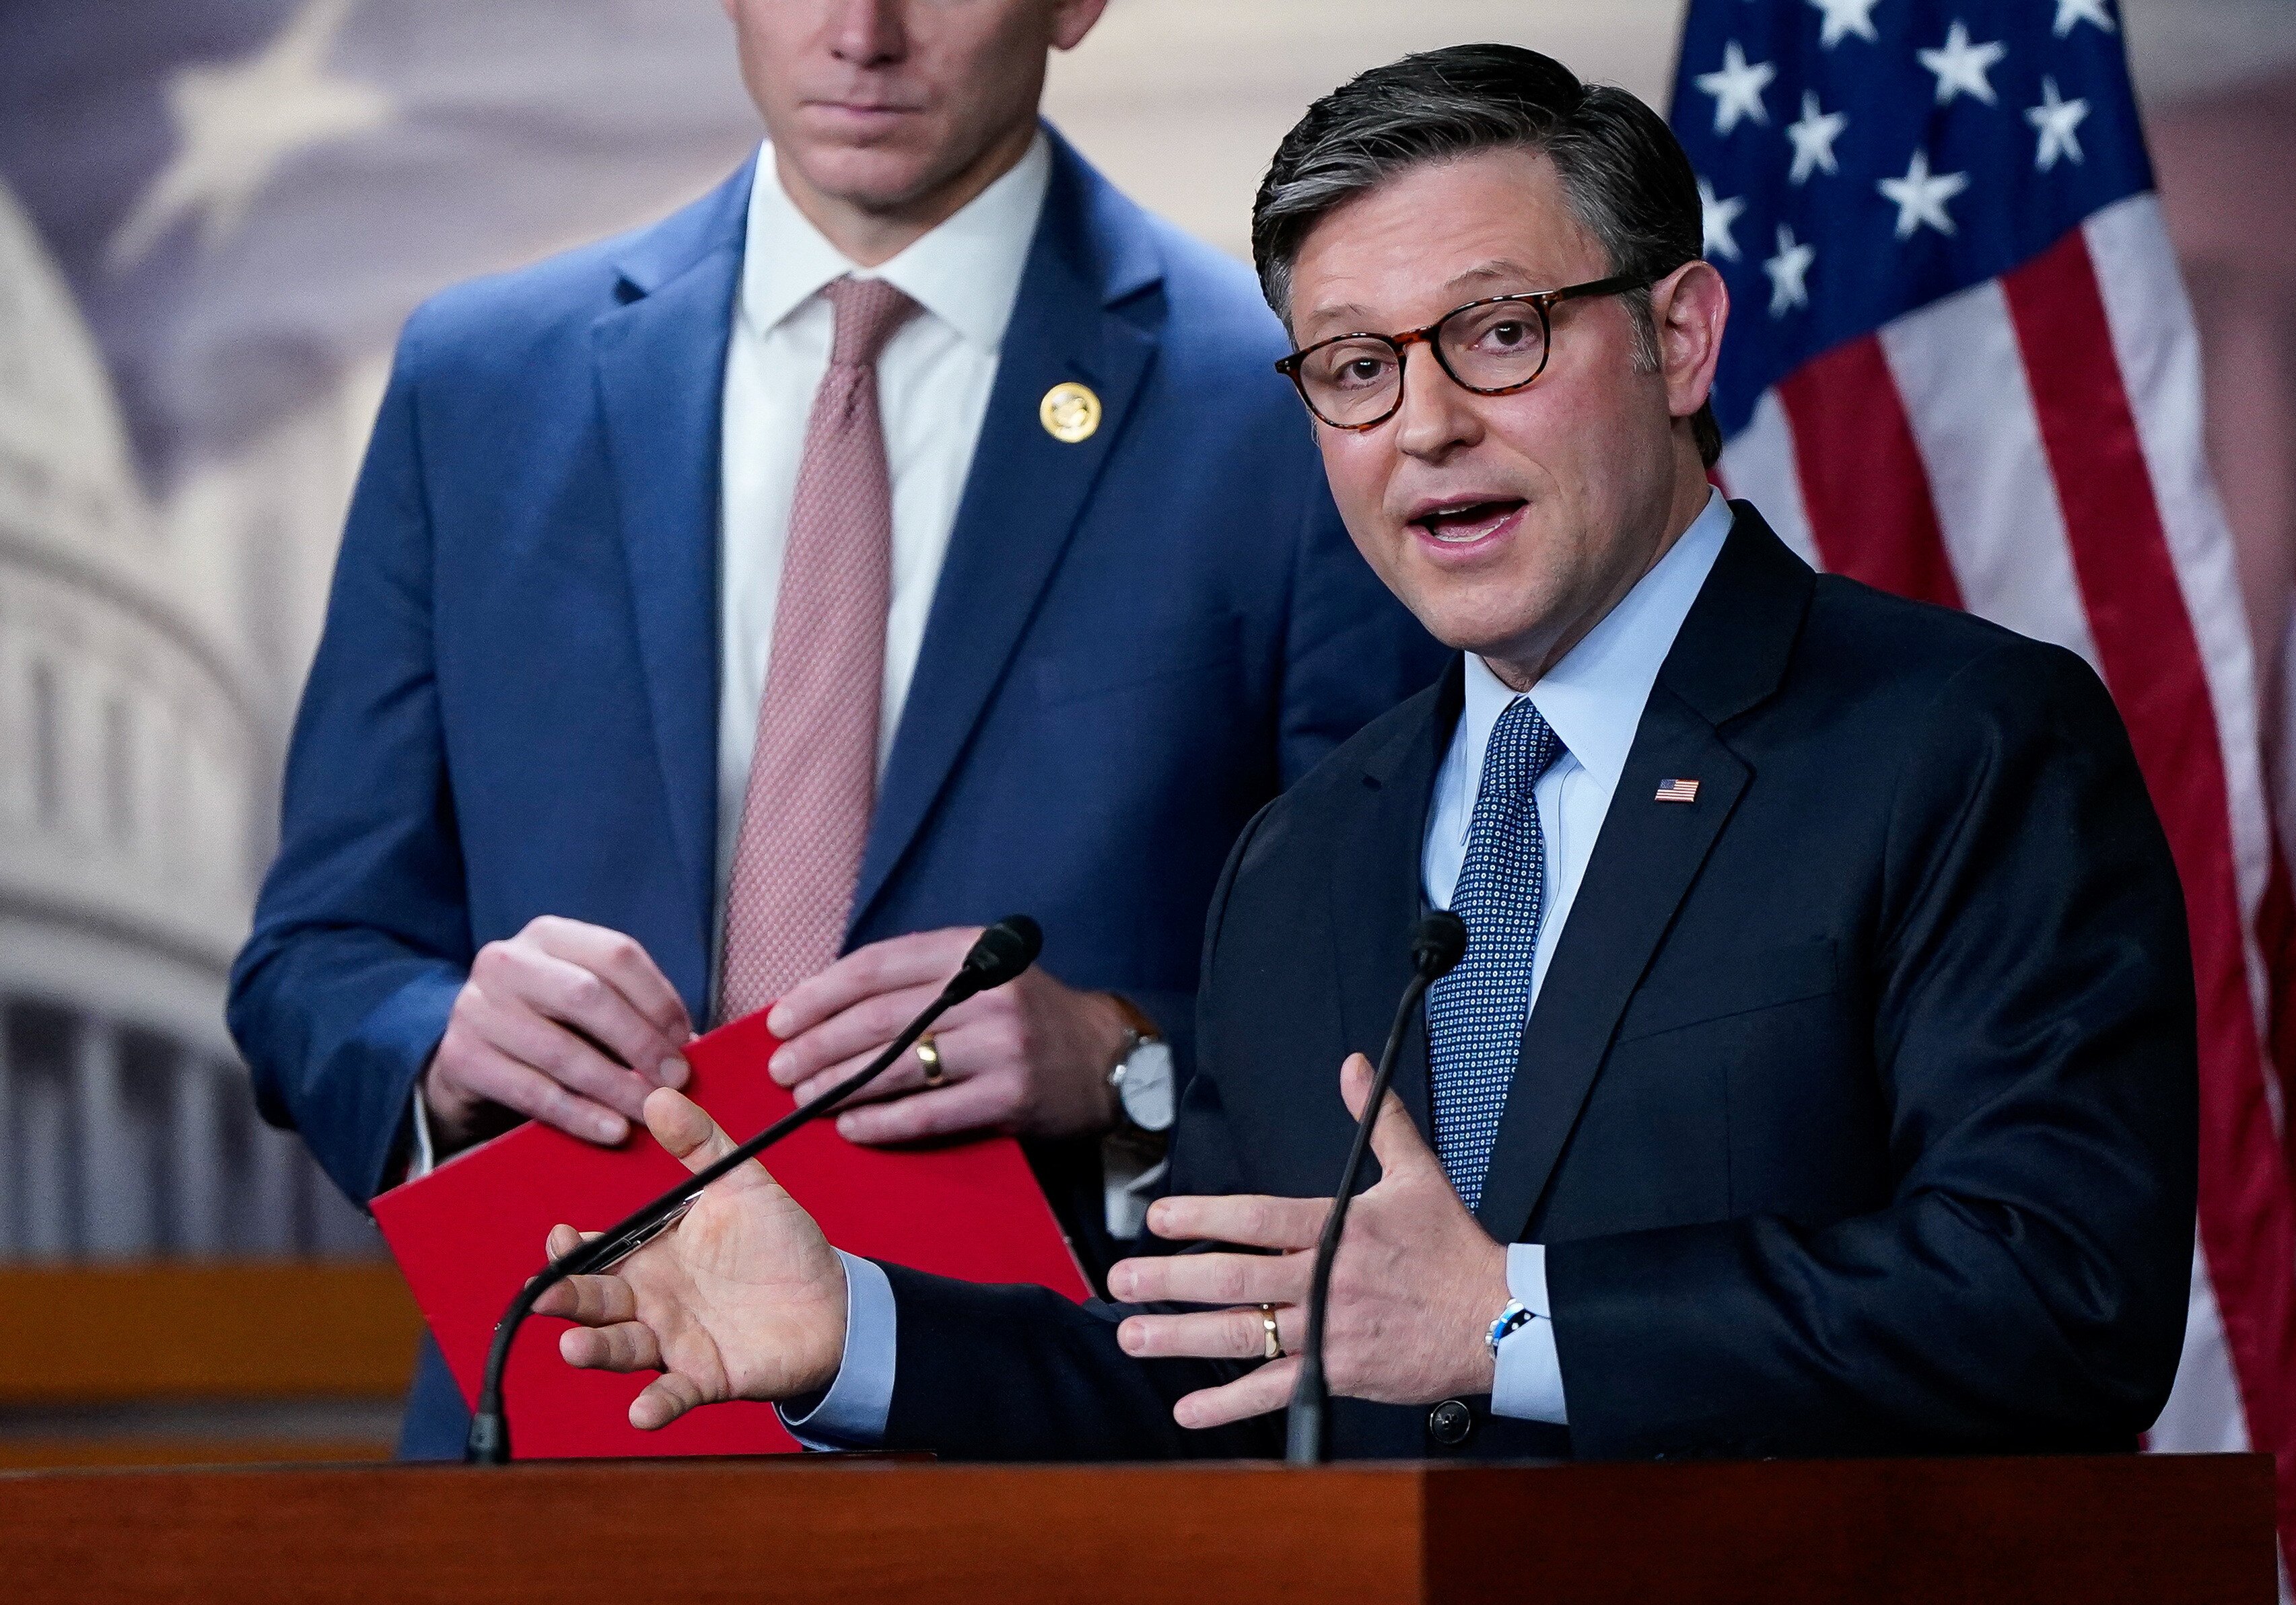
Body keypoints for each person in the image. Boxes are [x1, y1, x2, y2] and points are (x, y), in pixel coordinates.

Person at [533, 44, 2198, 1461]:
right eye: (1353, 368)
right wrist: (858, 1330)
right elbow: (1224, 1375)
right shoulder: (1309, 848)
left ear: (1681, 336)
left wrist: (1507, 1321)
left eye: (1496, 333)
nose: (1422, 425)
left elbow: (2060, 1299)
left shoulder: (1963, 742)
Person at [225, 0, 1440, 1460]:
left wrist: (1122, 1063)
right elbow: (312, 961)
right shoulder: (482, 384)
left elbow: (1410, 993)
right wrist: (444, 1043)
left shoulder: (1284, 406)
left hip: (1047, 1451)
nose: (861, 32)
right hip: (553, 1426)